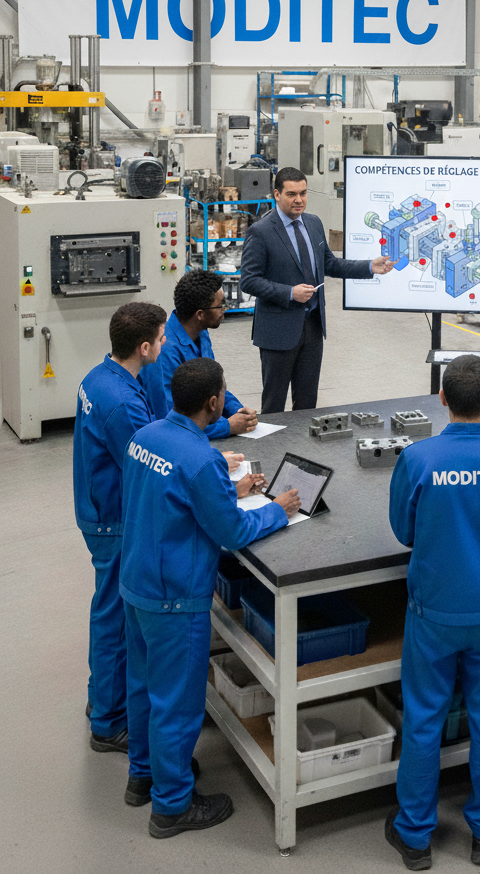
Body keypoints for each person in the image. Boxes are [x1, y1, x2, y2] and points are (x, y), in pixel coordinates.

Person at [119, 358, 301, 838]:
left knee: (142, 687)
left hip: (136, 583)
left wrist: (228, 489)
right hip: (174, 599)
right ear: (214, 402)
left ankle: (144, 776)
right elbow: (232, 531)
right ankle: (172, 805)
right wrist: (278, 510)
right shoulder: (202, 459)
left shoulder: (145, 437)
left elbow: (169, 496)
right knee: (177, 704)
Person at [386, 355, 480, 868]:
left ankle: (414, 835)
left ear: (442, 399)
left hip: (433, 613)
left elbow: (404, 531)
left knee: (424, 717)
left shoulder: (418, 459)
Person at [73, 302, 168, 754]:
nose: (166, 344)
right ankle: (109, 724)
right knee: (114, 619)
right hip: (113, 520)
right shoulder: (124, 405)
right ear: (144, 347)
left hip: (95, 506)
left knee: (104, 610)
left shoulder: (99, 377)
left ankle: (101, 699)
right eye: (162, 338)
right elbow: (147, 467)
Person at [239, 167, 395, 414]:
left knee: (307, 405)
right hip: (278, 332)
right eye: (291, 194)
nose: (299, 200)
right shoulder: (261, 231)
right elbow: (249, 280)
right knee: (274, 405)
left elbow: (330, 264)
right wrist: (290, 293)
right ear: (277, 195)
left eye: (303, 193)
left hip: (312, 328)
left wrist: (369, 266)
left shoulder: (313, 223)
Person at [138, 269, 258, 439]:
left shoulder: (201, 333)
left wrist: (238, 411)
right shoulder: (164, 351)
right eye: (220, 305)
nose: (225, 309)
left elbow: (214, 385)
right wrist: (227, 426)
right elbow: (169, 421)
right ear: (200, 314)